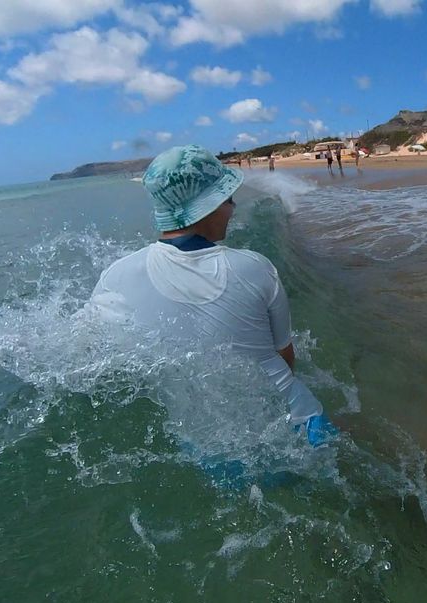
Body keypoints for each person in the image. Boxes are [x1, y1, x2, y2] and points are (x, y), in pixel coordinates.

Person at [87, 144, 334, 447]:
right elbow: (285, 356)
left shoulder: (115, 276)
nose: (233, 206)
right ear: (211, 205)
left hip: (207, 447)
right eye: (228, 197)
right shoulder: (255, 267)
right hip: (298, 425)